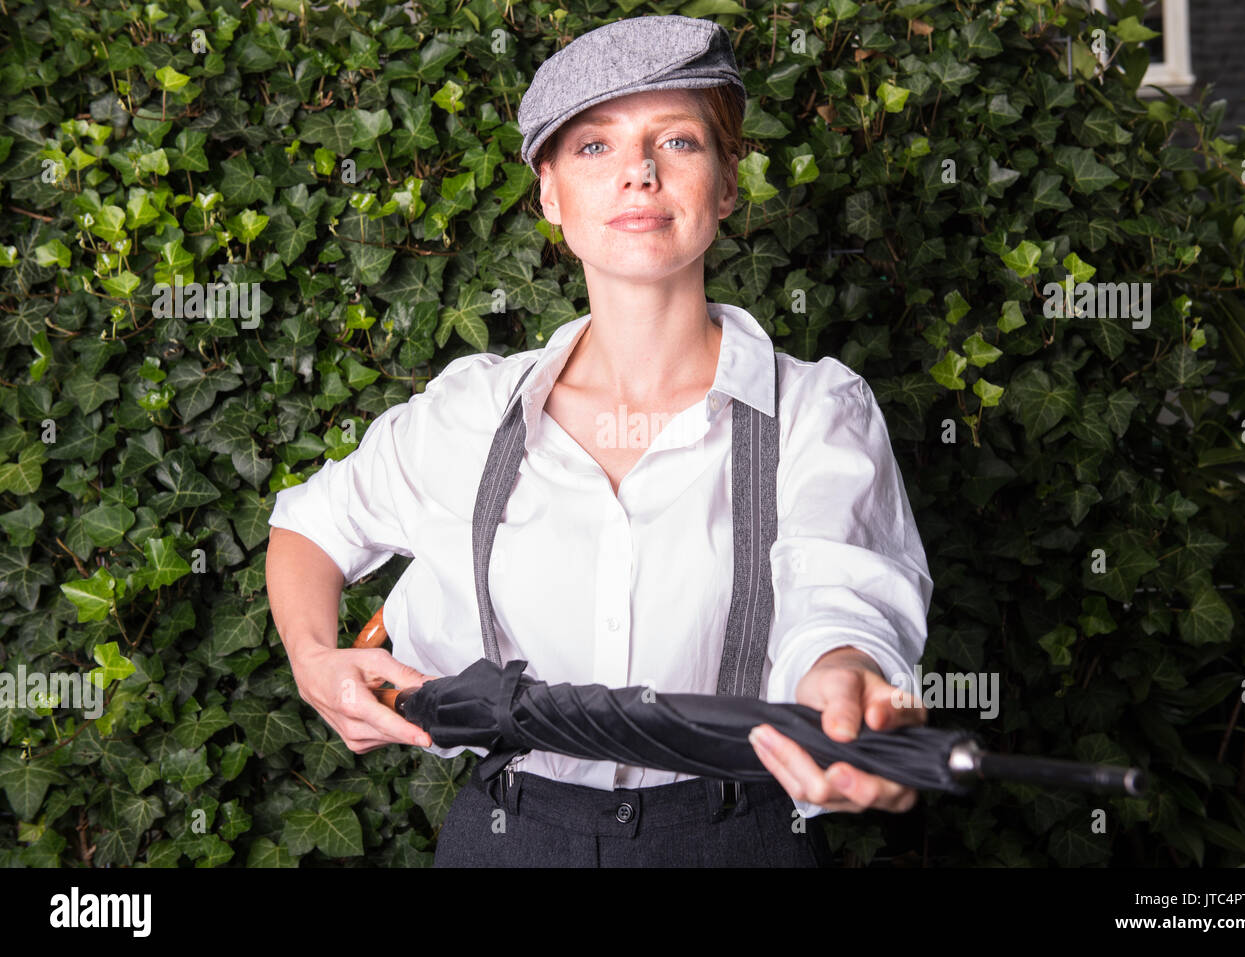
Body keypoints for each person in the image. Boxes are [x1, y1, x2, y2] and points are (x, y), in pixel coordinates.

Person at [265, 13, 934, 867]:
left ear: (727, 185)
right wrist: (313, 658)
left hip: (738, 838)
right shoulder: (471, 411)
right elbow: (309, 525)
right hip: (507, 838)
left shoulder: (817, 410)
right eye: (595, 146)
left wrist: (844, 684)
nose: (639, 172)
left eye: (678, 141)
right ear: (550, 195)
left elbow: (841, 602)